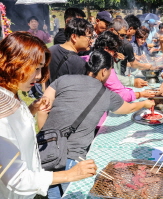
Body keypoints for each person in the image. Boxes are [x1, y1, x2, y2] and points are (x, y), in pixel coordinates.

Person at [38, 50, 154, 198]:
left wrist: (47, 138)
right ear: (104, 71)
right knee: (69, 193)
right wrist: (144, 103)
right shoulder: (106, 94)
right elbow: (129, 108)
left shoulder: (62, 80)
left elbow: (42, 108)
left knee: (53, 189)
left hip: (45, 150)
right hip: (74, 157)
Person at [0, 31, 97, 199]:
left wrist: (32, 109)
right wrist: (69, 175)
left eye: (41, 68)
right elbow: (16, 178)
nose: (38, 77)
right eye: (35, 69)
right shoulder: (2, 113)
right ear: (14, 63)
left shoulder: (10, 93)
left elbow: (18, 131)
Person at [110, 18, 156, 87]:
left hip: (118, 77)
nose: (130, 39)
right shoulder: (126, 44)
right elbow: (133, 64)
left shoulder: (123, 43)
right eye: (123, 35)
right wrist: (146, 66)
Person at [48, 18, 94, 85]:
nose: (91, 41)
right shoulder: (79, 63)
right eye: (89, 37)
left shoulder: (51, 50)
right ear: (74, 37)